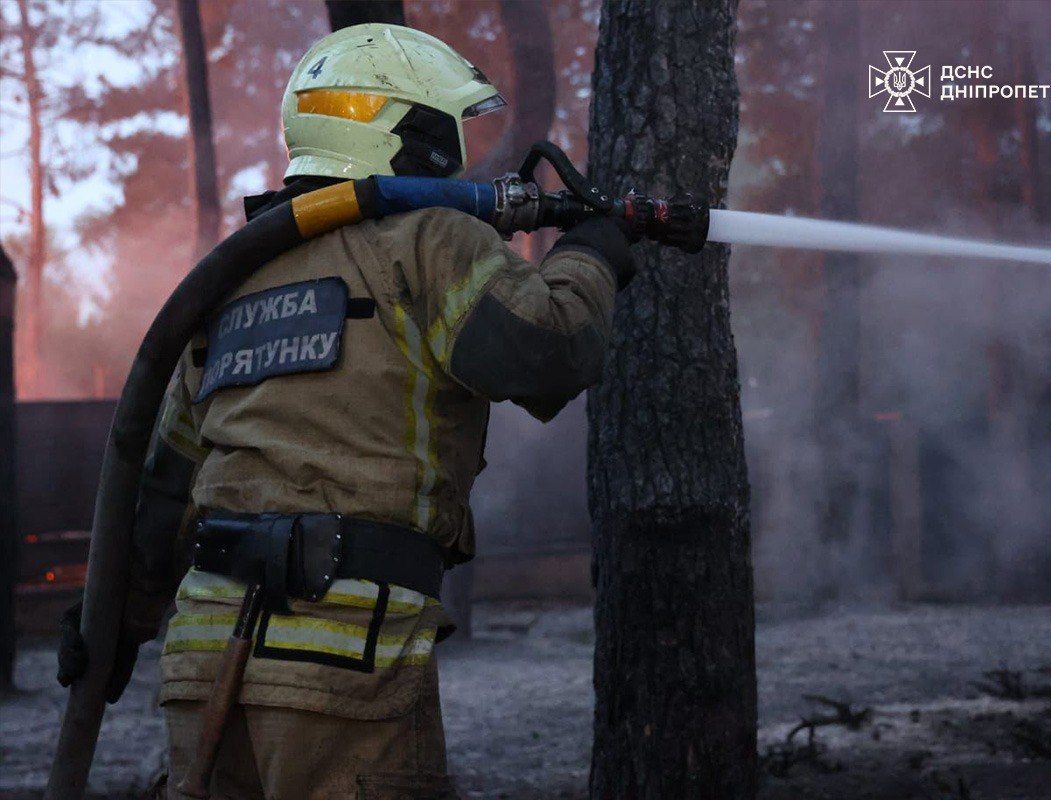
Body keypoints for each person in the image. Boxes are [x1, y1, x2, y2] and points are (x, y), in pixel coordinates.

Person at [57, 23, 634, 799]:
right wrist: (591, 254)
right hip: (342, 652)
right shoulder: (427, 240)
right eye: (446, 126)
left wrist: (114, 627)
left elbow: (162, 490)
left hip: (199, 654)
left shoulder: (235, 277)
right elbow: (548, 354)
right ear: (407, 131)